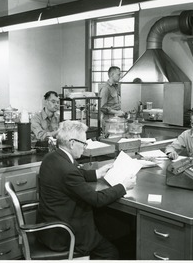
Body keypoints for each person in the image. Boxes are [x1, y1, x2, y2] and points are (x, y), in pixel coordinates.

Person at [37, 120, 136, 259]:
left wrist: (97, 173)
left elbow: (76, 173)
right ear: (72, 143)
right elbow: (97, 199)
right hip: (65, 234)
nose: (85, 147)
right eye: (83, 143)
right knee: (111, 252)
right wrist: (124, 186)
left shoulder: (52, 157)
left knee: (108, 224)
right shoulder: (67, 170)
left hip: (51, 226)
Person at [99, 66, 125, 132]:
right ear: (111, 75)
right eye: (118, 74)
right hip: (109, 122)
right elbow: (102, 107)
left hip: (117, 120)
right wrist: (117, 112)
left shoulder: (116, 87)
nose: (120, 76)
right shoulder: (106, 88)